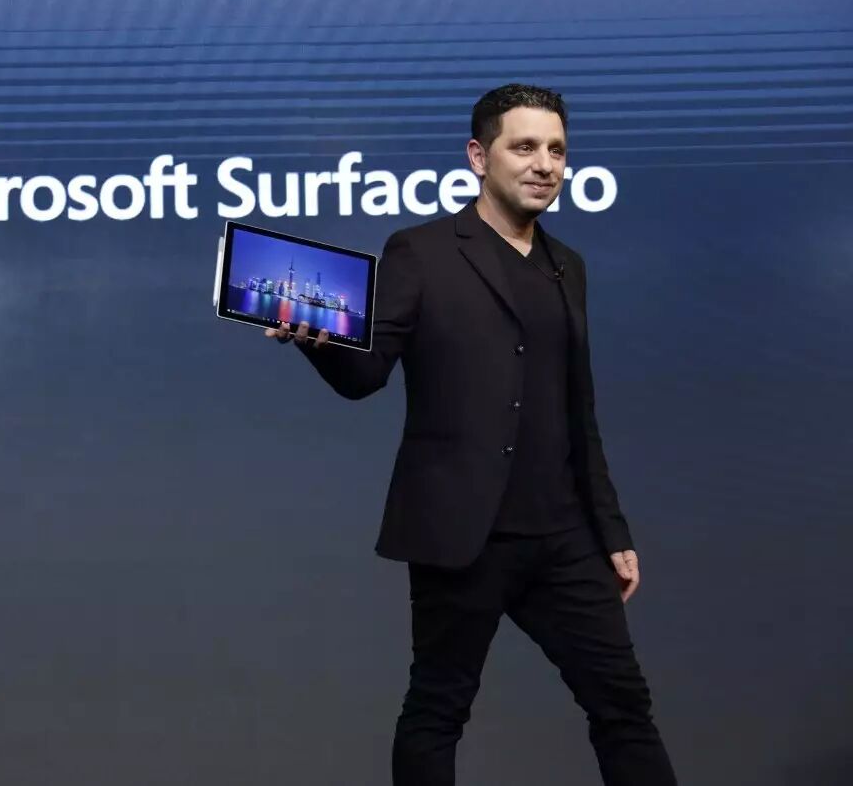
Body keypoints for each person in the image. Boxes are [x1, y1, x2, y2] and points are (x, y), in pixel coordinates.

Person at [267, 84, 677, 786]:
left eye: (557, 150)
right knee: (438, 710)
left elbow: (579, 410)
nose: (544, 164)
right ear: (479, 157)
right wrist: (313, 337)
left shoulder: (568, 265)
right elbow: (364, 376)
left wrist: (611, 529)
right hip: (461, 535)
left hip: (564, 536)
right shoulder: (421, 251)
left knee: (624, 707)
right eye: (525, 146)